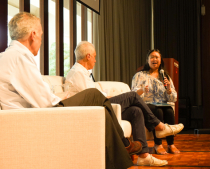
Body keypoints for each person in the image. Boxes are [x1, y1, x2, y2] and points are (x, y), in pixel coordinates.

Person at [0, 12, 143, 169]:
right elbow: (45, 101)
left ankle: (120, 154)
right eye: (41, 35)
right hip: (39, 117)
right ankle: (123, 148)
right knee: (94, 95)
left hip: (29, 115)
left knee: (101, 107)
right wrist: (59, 98)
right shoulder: (19, 57)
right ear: (33, 35)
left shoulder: (8, 56)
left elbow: (33, 93)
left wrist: (58, 96)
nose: (41, 40)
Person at [65, 41, 184, 166]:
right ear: (88, 56)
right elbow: (92, 100)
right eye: (94, 56)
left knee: (135, 111)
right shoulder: (77, 73)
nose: (95, 60)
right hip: (97, 109)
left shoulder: (83, 73)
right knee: (132, 95)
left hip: (101, 104)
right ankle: (160, 127)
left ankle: (144, 156)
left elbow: (95, 95)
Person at [131, 49, 180, 155]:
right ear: (147, 60)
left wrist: (169, 90)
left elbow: (173, 98)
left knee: (169, 111)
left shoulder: (165, 76)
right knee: (159, 111)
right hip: (146, 105)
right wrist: (142, 90)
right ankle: (158, 145)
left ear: (160, 60)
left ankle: (171, 144)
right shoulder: (140, 75)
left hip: (162, 104)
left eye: (157, 57)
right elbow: (133, 94)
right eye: (152, 57)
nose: (154, 59)